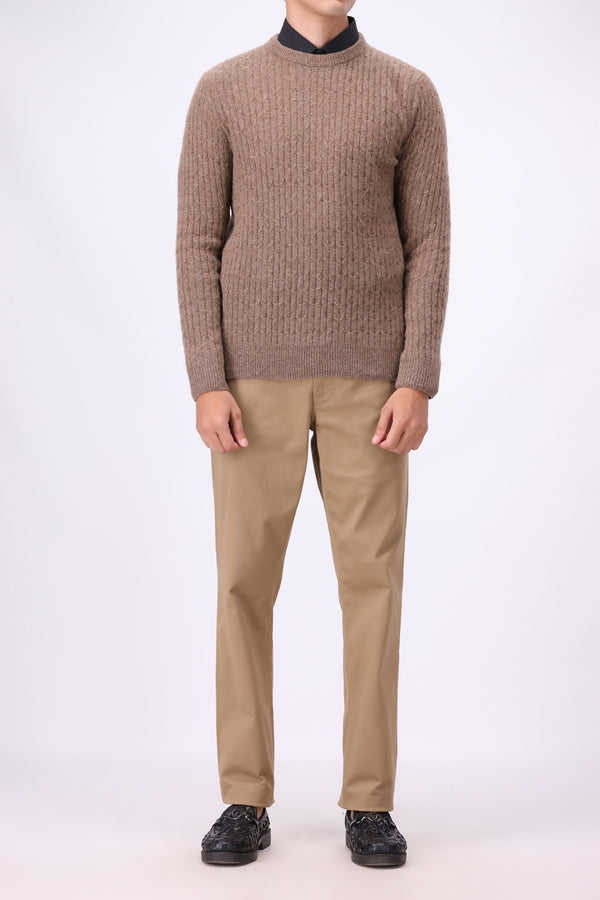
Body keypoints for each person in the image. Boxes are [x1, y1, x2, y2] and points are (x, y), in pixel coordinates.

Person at [176, 0, 450, 868]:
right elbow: (196, 242)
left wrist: (416, 375)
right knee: (242, 586)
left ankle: (369, 801)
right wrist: (207, 378)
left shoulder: (408, 93)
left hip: (372, 383)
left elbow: (430, 241)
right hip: (250, 381)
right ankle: (243, 797)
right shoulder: (224, 90)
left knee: (374, 589)